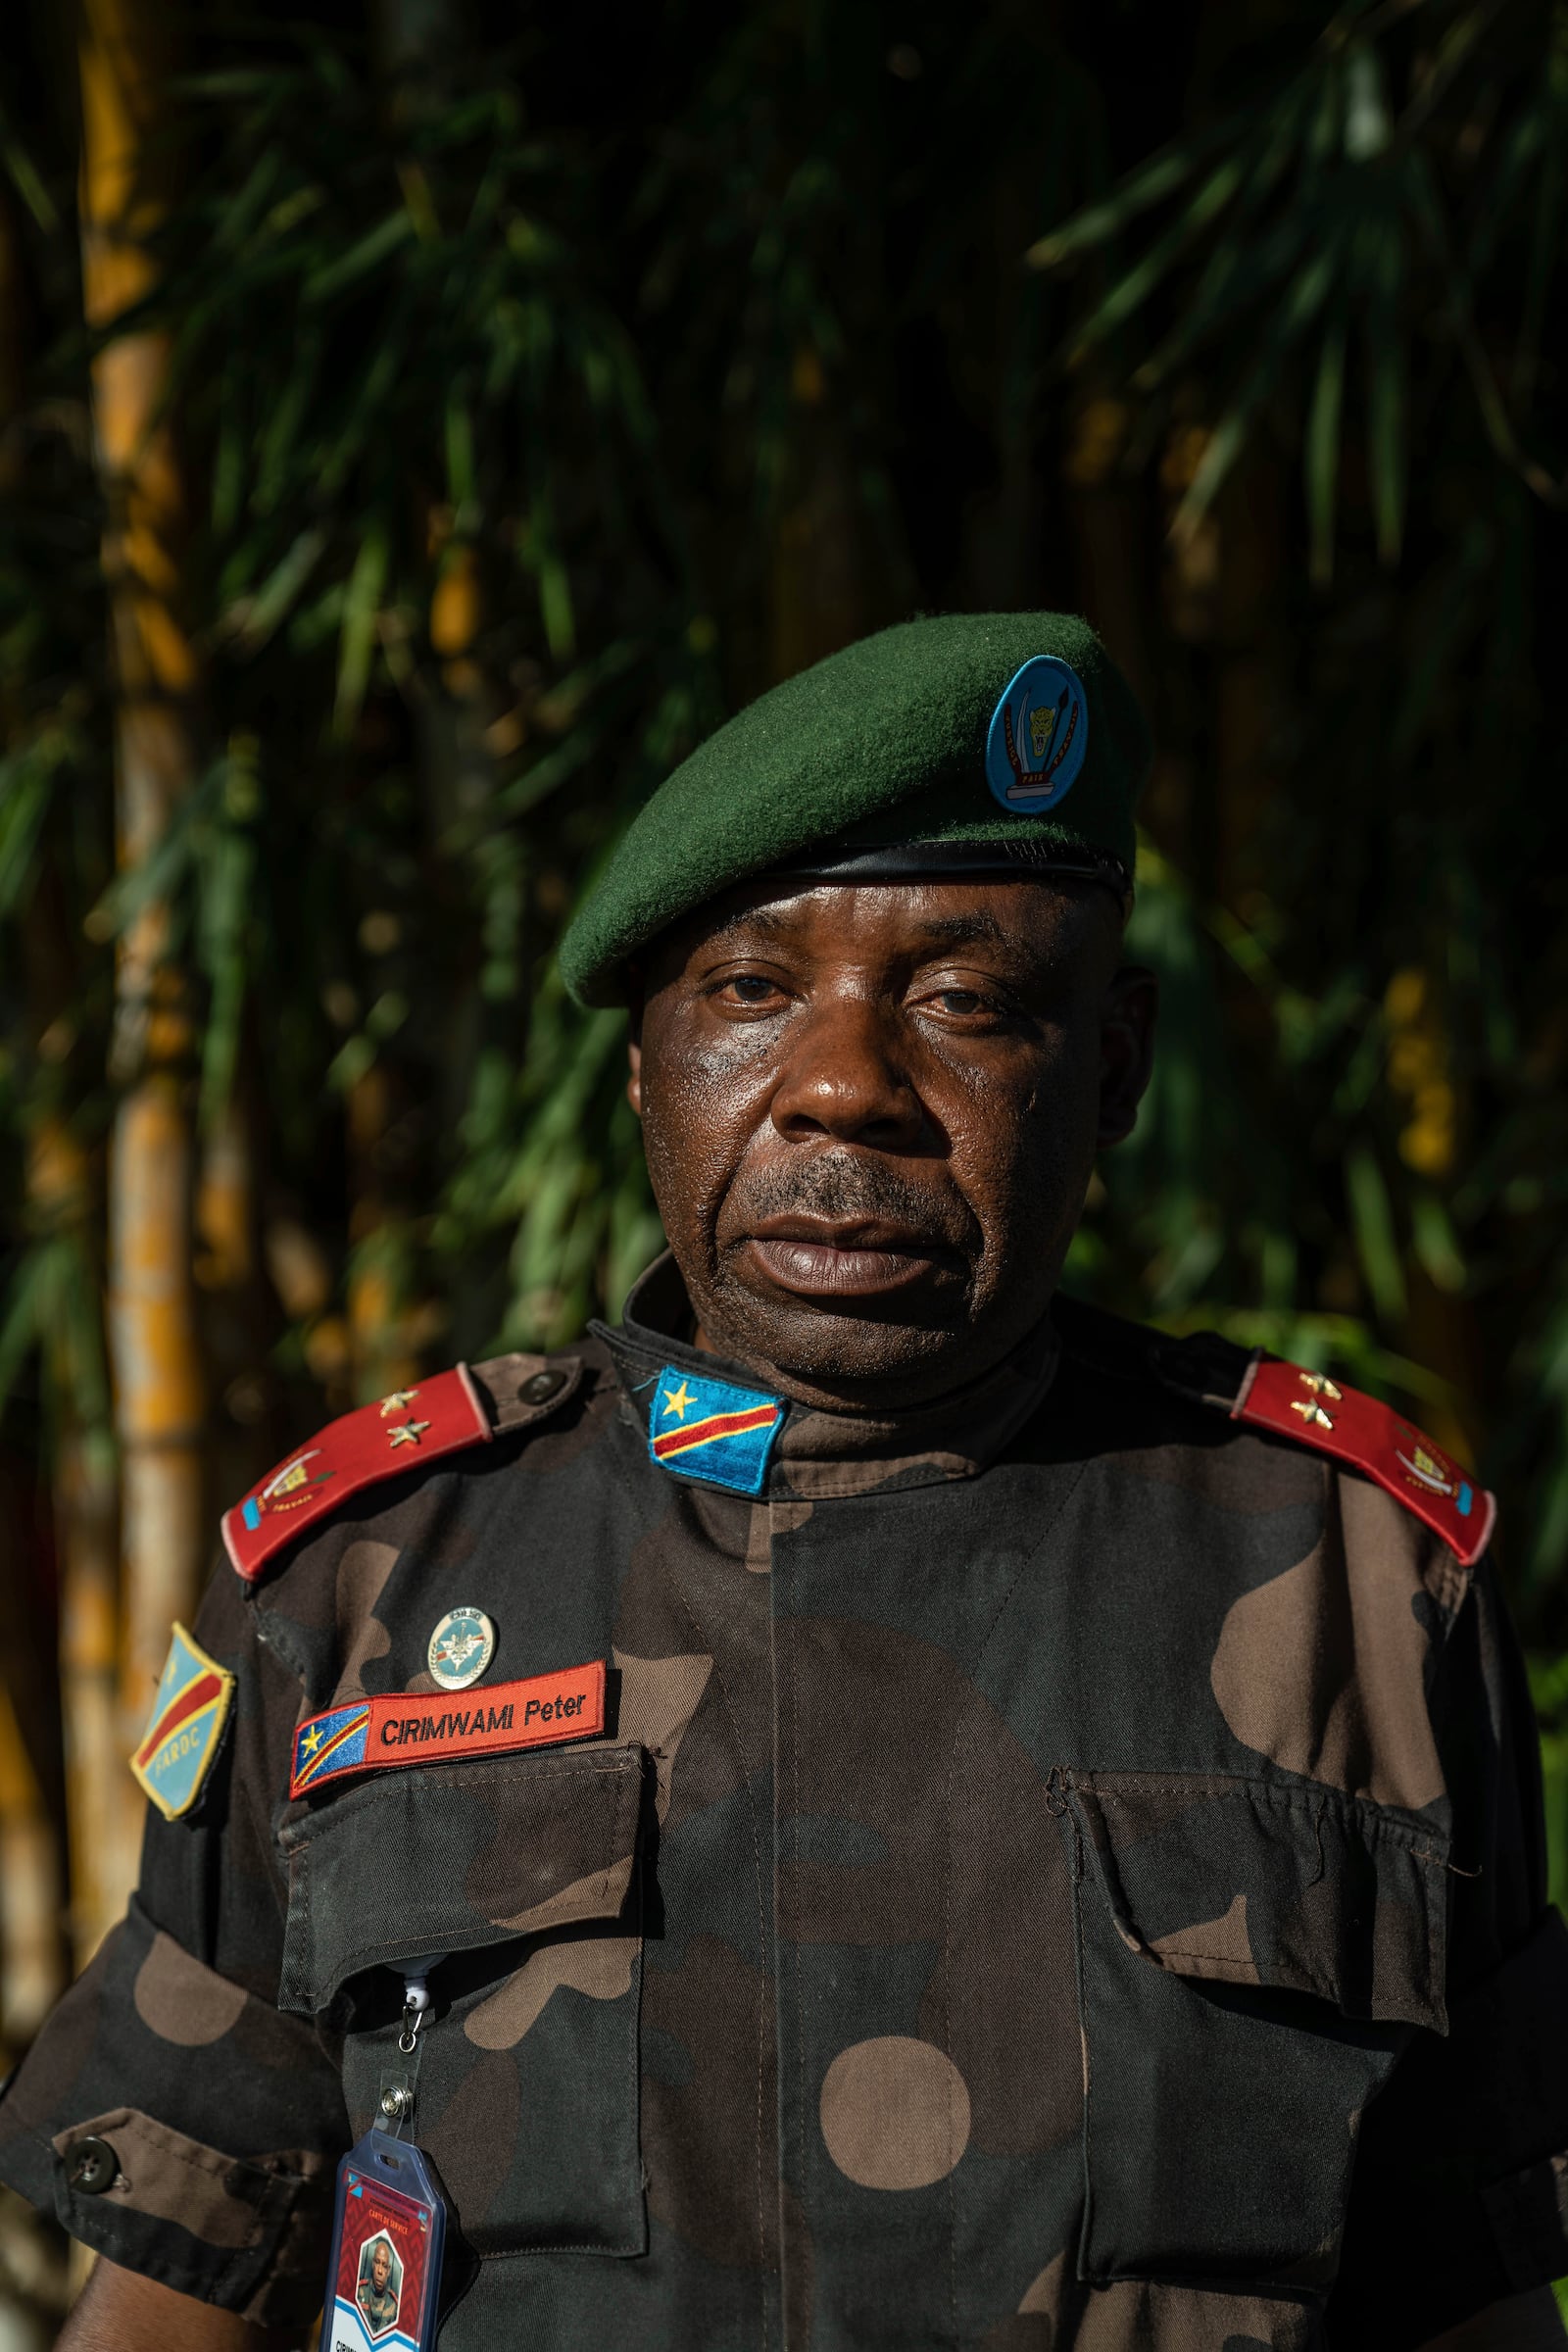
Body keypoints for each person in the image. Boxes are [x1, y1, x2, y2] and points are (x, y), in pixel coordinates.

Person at [1, 613, 1564, 2352]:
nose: (841, 1088)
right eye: (750, 991)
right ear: (643, 1063)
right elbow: (172, 2295)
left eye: (963, 1001)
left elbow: (1474, 2302)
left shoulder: (1351, 1590)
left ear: (1111, 1061)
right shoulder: (368, 1581)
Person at [357, 2241, 399, 2336]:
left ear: (388, 2271)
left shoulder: (394, 2305)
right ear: (372, 2264)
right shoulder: (358, 2291)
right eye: (377, 2262)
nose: (380, 2271)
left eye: (384, 2266)